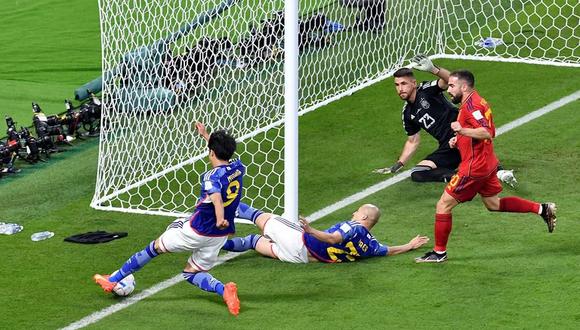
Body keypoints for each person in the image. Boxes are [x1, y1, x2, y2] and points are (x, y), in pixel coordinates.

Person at [93, 123, 245, 316]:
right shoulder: (239, 167)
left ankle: (114, 278)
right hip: (219, 236)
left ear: (211, 153)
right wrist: (206, 136)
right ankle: (225, 291)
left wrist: (220, 218)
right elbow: (223, 158)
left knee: (155, 247)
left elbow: (215, 197)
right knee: (191, 273)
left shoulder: (210, 177)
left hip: (197, 231)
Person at [415, 70, 557, 263]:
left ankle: (439, 253)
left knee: (443, 205)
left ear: (464, 87)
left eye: (451, 86)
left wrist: (461, 129)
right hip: (487, 162)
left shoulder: (472, 106)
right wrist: (460, 139)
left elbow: (487, 132)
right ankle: (542, 209)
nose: (448, 90)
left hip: (474, 167)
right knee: (493, 204)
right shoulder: (475, 101)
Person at [375, 55, 517, 186]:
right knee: (418, 173)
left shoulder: (425, 90)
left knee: (473, 149)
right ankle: (461, 176)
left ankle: (499, 171)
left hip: (464, 134)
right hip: (448, 146)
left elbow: (451, 81)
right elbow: (413, 141)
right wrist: (398, 164)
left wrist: (433, 69)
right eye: (397, 85)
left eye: (404, 83)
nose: (400, 88)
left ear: (413, 83)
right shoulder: (407, 113)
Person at [222, 202, 429, 263]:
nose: (353, 212)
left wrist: (310, 229)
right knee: (253, 241)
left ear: (364, 218)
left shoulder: (353, 227)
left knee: (259, 216)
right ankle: (215, 243)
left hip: (301, 242)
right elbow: (389, 250)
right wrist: (409, 246)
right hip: (301, 258)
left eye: (357, 211)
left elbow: (333, 238)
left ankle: (221, 204)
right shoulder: (371, 245)